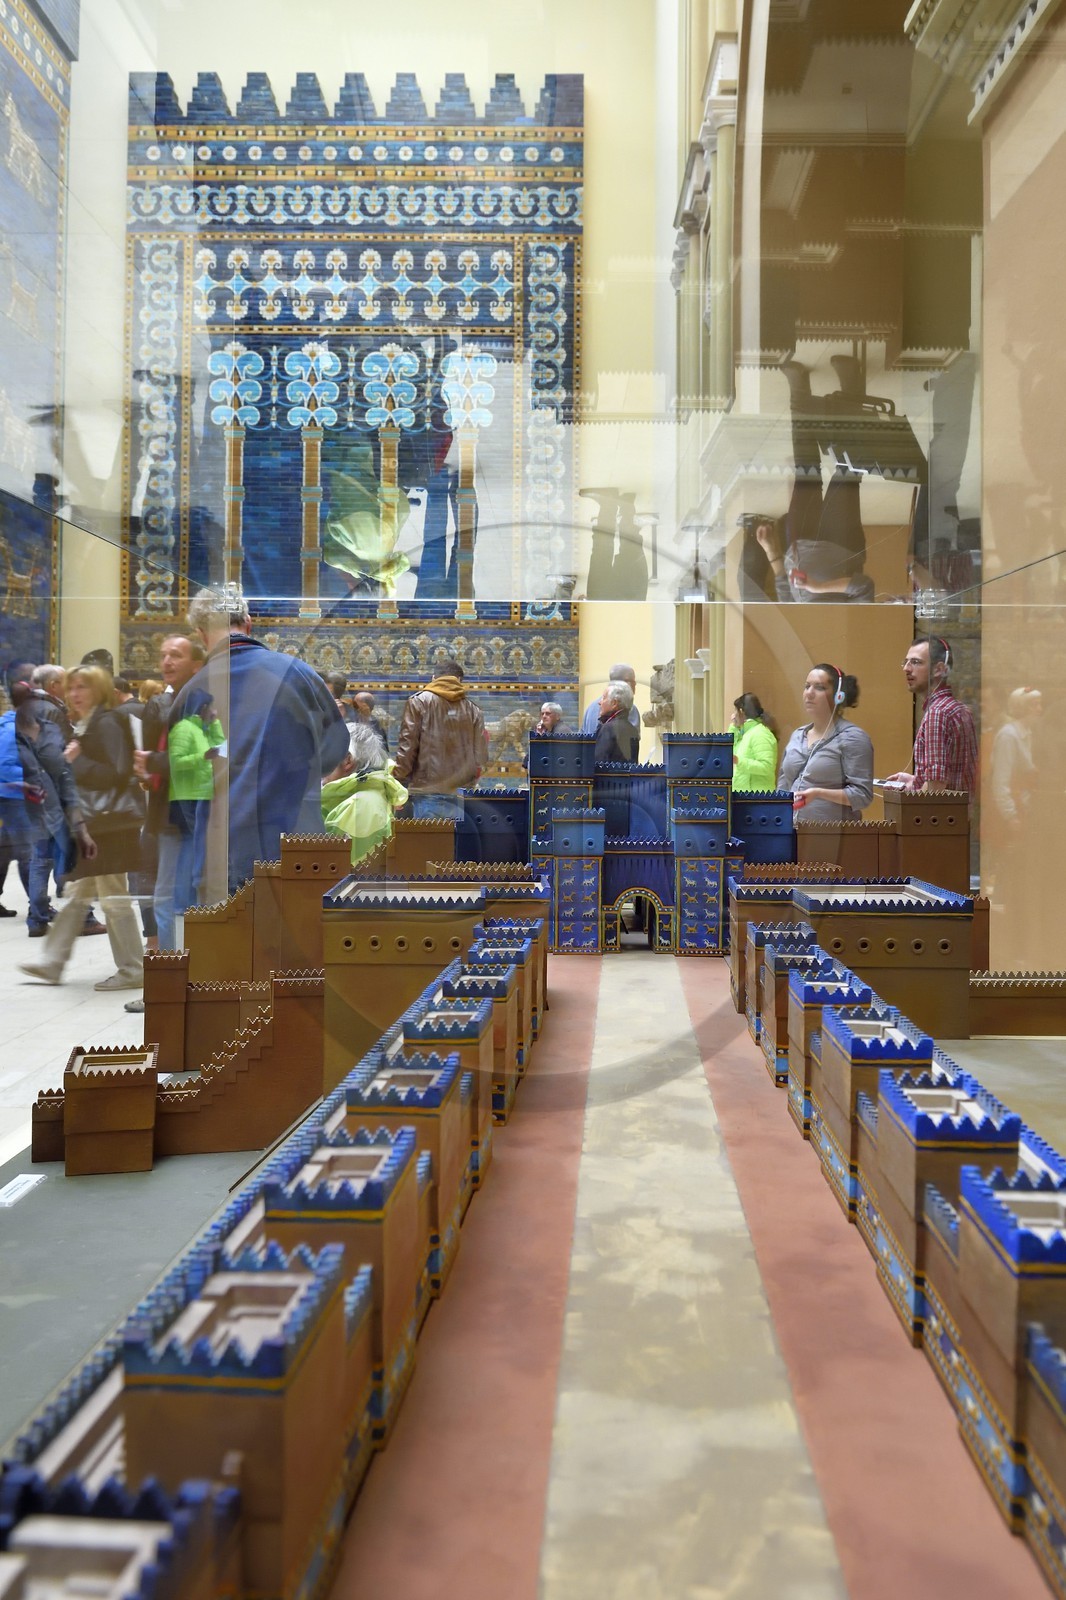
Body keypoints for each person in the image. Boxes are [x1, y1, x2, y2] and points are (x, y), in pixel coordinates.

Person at [175, 585, 349, 892]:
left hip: (223, 856)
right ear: (248, 622)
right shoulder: (299, 674)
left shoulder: (191, 693)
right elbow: (336, 748)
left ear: (201, 634)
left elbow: (186, 792)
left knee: (233, 938)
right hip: (297, 845)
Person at [18, 665, 145, 990]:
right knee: (79, 893)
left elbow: (117, 772)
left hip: (110, 824)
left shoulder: (107, 721)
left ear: (99, 690)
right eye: (71, 687)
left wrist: (77, 761)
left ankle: (133, 969)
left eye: (82, 687)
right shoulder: (89, 722)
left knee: (113, 897)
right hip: (96, 824)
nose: (74, 693)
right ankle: (52, 962)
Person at [132, 634, 206, 956]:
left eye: (175, 655)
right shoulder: (164, 703)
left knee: (175, 898)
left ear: (197, 663)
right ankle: (169, 977)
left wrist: (152, 762)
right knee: (167, 897)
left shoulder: (206, 703)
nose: (166, 662)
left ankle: (175, 980)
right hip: (171, 816)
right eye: (163, 655)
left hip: (191, 816)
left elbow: (213, 756)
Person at [6, 684, 96, 937]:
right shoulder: (39, 726)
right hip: (45, 801)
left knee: (40, 857)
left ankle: (37, 920)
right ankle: (83, 916)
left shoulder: (15, 726)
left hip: (35, 802)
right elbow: (59, 765)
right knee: (64, 856)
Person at [778, 663, 874, 824]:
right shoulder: (797, 735)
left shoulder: (853, 738)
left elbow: (862, 795)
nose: (809, 693)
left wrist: (819, 793)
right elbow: (782, 788)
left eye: (820, 687)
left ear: (838, 696)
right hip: (791, 834)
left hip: (834, 839)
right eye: (807, 686)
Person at [392, 658, 487, 820]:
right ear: (460, 682)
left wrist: (396, 782)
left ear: (433, 678)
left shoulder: (419, 702)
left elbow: (407, 750)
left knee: (427, 844)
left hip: (425, 793)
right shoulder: (474, 710)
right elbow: (481, 758)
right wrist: (468, 785)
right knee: (455, 845)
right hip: (460, 797)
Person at [885, 636, 978, 795]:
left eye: (916, 662)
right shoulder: (960, 709)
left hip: (939, 818)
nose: (906, 668)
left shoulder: (937, 713)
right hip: (957, 817)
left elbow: (935, 790)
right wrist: (916, 781)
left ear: (938, 669)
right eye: (906, 662)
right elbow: (952, 778)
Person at [321, 720, 409, 865]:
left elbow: (335, 869)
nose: (321, 764)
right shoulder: (365, 796)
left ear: (347, 760)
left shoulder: (359, 806)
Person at [990, 686, 1042, 841]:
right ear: (1020, 707)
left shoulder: (1028, 733)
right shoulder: (1009, 736)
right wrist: (1010, 816)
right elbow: (1000, 782)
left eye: (1040, 704)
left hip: (1025, 809)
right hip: (1011, 815)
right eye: (1034, 705)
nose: (1040, 709)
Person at [580, 664, 641, 755]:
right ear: (625, 683)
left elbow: (581, 737)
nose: (635, 684)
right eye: (633, 681)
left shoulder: (590, 707)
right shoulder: (629, 708)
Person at [731, 693, 778, 792]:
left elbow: (766, 766)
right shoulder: (746, 734)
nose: (733, 715)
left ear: (741, 711)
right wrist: (734, 727)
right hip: (744, 798)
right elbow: (731, 746)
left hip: (758, 800)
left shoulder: (760, 734)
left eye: (735, 711)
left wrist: (739, 761)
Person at [594, 680, 639, 763]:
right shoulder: (633, 730)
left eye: (604, 698)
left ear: (614, 703)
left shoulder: (608, 729)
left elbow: (599, 764)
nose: (599, 702)